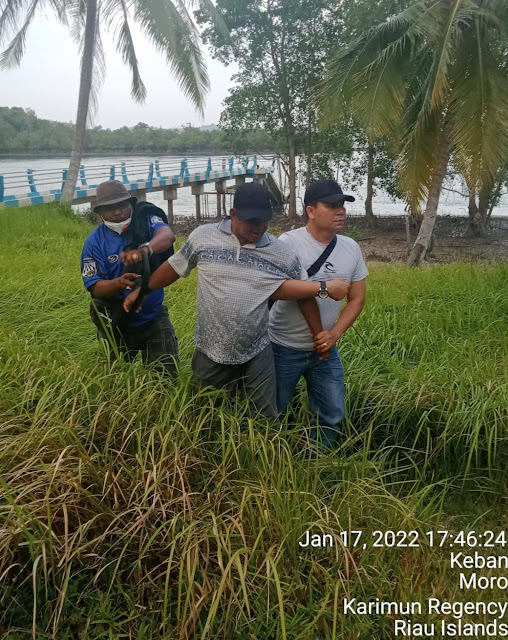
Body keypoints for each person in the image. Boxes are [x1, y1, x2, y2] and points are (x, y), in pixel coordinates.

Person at [124, 181, 350, 418]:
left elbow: (304, 294)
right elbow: (174, 267)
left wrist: (317, 336)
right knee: (204, 415)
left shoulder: (280, 252)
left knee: (264, 419)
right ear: (233, 214)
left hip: (257, 351)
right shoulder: (203, 238)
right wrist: (143, 291)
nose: (259, 227)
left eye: (264, 221)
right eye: (252, 221)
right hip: (210, 349)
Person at [269, 179, 368, 449]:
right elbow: (287, 291)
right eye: (332, 205)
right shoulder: (288, 243)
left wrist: (332, 336)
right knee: (273, 413)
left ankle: (319, 460)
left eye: (343, 205)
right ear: (311, 211)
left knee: (331, 412)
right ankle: (273, 464)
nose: (341, 211)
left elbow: (357, 299)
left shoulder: (351, 247)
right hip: (283, 346)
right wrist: (324, 293)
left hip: (326, 347)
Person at [80, 180, 179, 375]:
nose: (118, 212)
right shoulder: (94, 242)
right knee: (114, 381)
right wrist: (119, 283)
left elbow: (167, 235)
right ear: (100, 212)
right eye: (110, 208)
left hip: (153, 317)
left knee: (166, 379)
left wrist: (145, 249)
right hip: (115, 321)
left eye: (122, 206)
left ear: (130, 204)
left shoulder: (146, 221)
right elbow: (94, 286)